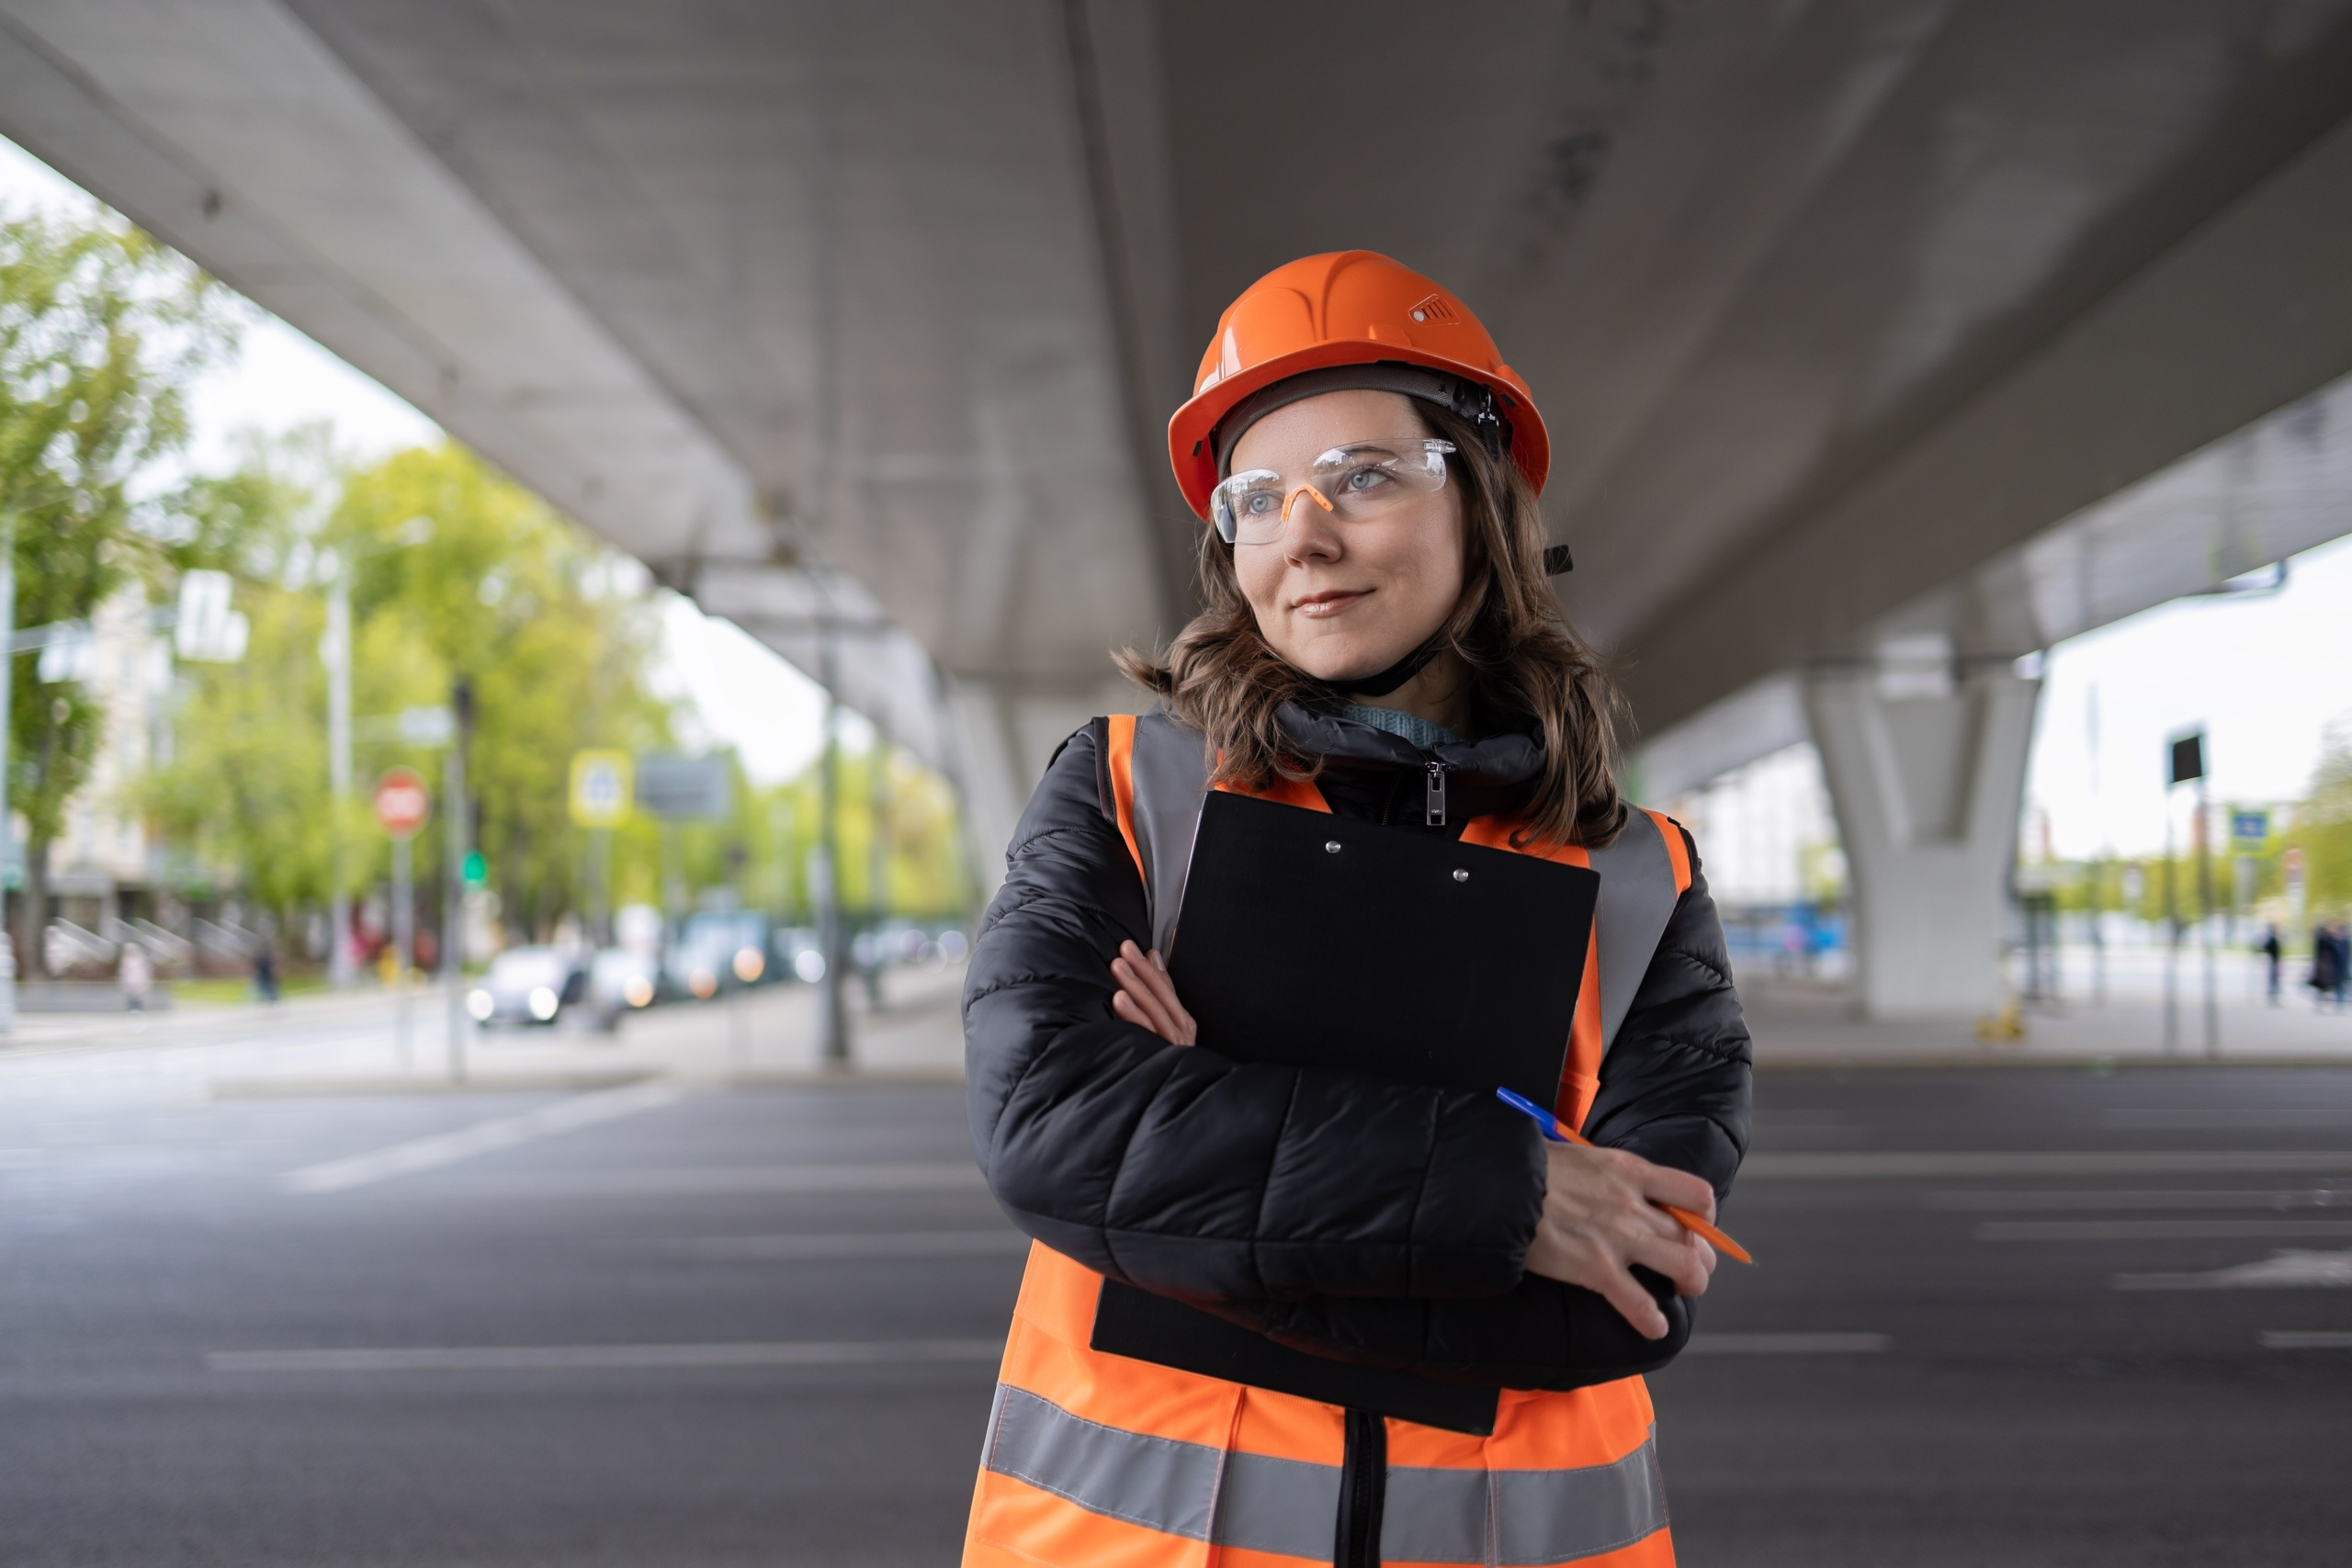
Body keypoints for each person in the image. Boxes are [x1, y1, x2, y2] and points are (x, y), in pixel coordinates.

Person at [961, 252, 1750, 1568]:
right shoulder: (1129, 795)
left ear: (1485, 508)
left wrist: (1202, 1159)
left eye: (1366, 478)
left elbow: (1627, 1301)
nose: (1303, 535)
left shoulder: (1638, 881)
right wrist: (1508, 1190)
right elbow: (1052, 1129)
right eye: (1256, 500)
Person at [118, 939, 153, 1012]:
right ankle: (131, 1009)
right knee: (130, 998)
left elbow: (145, 971)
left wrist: (144, 981)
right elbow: (123, 973)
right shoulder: (125, 961)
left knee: (140, 998)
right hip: (129, 983)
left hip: (139, 982)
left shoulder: (140, 960)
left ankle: (140, 1009)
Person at [2259, 923, 2282, 1005]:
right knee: (2273, 980)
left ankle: (2274, 995)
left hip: (2274, 961)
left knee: (2274, 980)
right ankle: (2273, 995)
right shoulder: (2273, 939)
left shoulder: (2273, 939)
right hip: (2274, 961)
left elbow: (2265, 947)